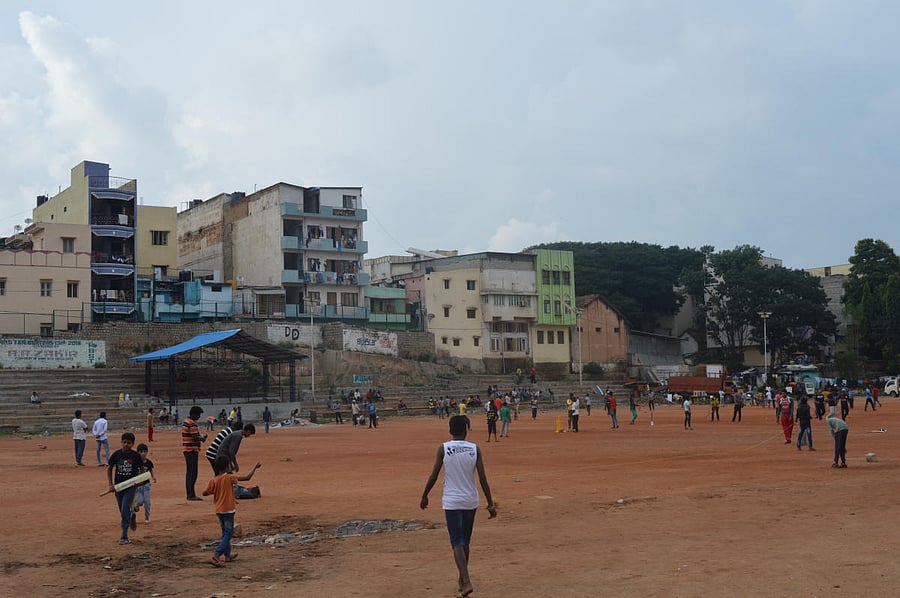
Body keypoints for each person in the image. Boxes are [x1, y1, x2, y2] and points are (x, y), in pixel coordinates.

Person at [420, 415, 497, 598]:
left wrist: (425, 495)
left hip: (452, 501)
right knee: (465, 541)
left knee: (456, 542)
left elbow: (433, 476)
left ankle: (466, 579)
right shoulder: (474, 449)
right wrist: (490, 504)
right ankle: (462, 581)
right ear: (466, 431)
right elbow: (483, 479)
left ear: (450, 430)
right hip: (470, 500)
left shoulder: (443, 449)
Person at [203, 455, 261, 567]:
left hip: (219, 510)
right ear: (226, 467)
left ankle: (227, 555)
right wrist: (255, 467)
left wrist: (215, 491)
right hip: (228, 509)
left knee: (225, 532)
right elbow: (247, 478)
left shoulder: (214, 479)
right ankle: (216, 555)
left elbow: (205, 492)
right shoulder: (229, 478)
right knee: (229, 533)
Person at [106, 432, 145, 545]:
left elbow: (142, 469)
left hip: (130, 486)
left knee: (124, 508)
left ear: (133, 444)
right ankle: (132, 514)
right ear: (121, 442)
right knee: (122, 510)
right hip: (118, 487)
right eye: (124, 442)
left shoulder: (135, 456)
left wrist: (139, 481)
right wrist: (110, 484)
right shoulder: (117, 455)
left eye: (129, 443)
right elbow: (109, 468)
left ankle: (124, 535)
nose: (126, 445)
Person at [182, 406, 208, 501]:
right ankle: (191, 494)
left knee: (190, 472)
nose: (199, 416)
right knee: (193, 472)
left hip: (188, 449)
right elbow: (194, 437)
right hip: (191, 450)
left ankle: (190, 493)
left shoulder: (186, 421)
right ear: (194, 414)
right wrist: (202, 438)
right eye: (198, 414)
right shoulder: (192, 423)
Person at [132, 443, 157, 525]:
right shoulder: (135, 462)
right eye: (141, 452)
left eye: (145, 451)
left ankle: (147, 517)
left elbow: (151, 470)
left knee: (147, 501)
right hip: (138, 485)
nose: (143, 453)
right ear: (138, 453)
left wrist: (153, 477)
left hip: (146, 484)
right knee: (139, 500)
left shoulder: (149, 462)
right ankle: (136, 506)